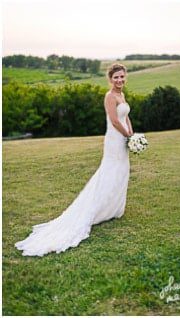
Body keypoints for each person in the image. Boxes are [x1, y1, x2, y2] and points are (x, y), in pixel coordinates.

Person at [15, 63, 135, 257]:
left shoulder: (122, 95)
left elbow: (126, 117)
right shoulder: (110, 96)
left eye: (122, 77)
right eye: (116, 78)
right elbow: (114, 120)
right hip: (114, 139)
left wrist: (132, 133)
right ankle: (98, 208)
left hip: (124, 137)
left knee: (122, 171)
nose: (120, 80)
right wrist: (126, 136)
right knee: (110, 171)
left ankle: (113, 208)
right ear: (110, 79)